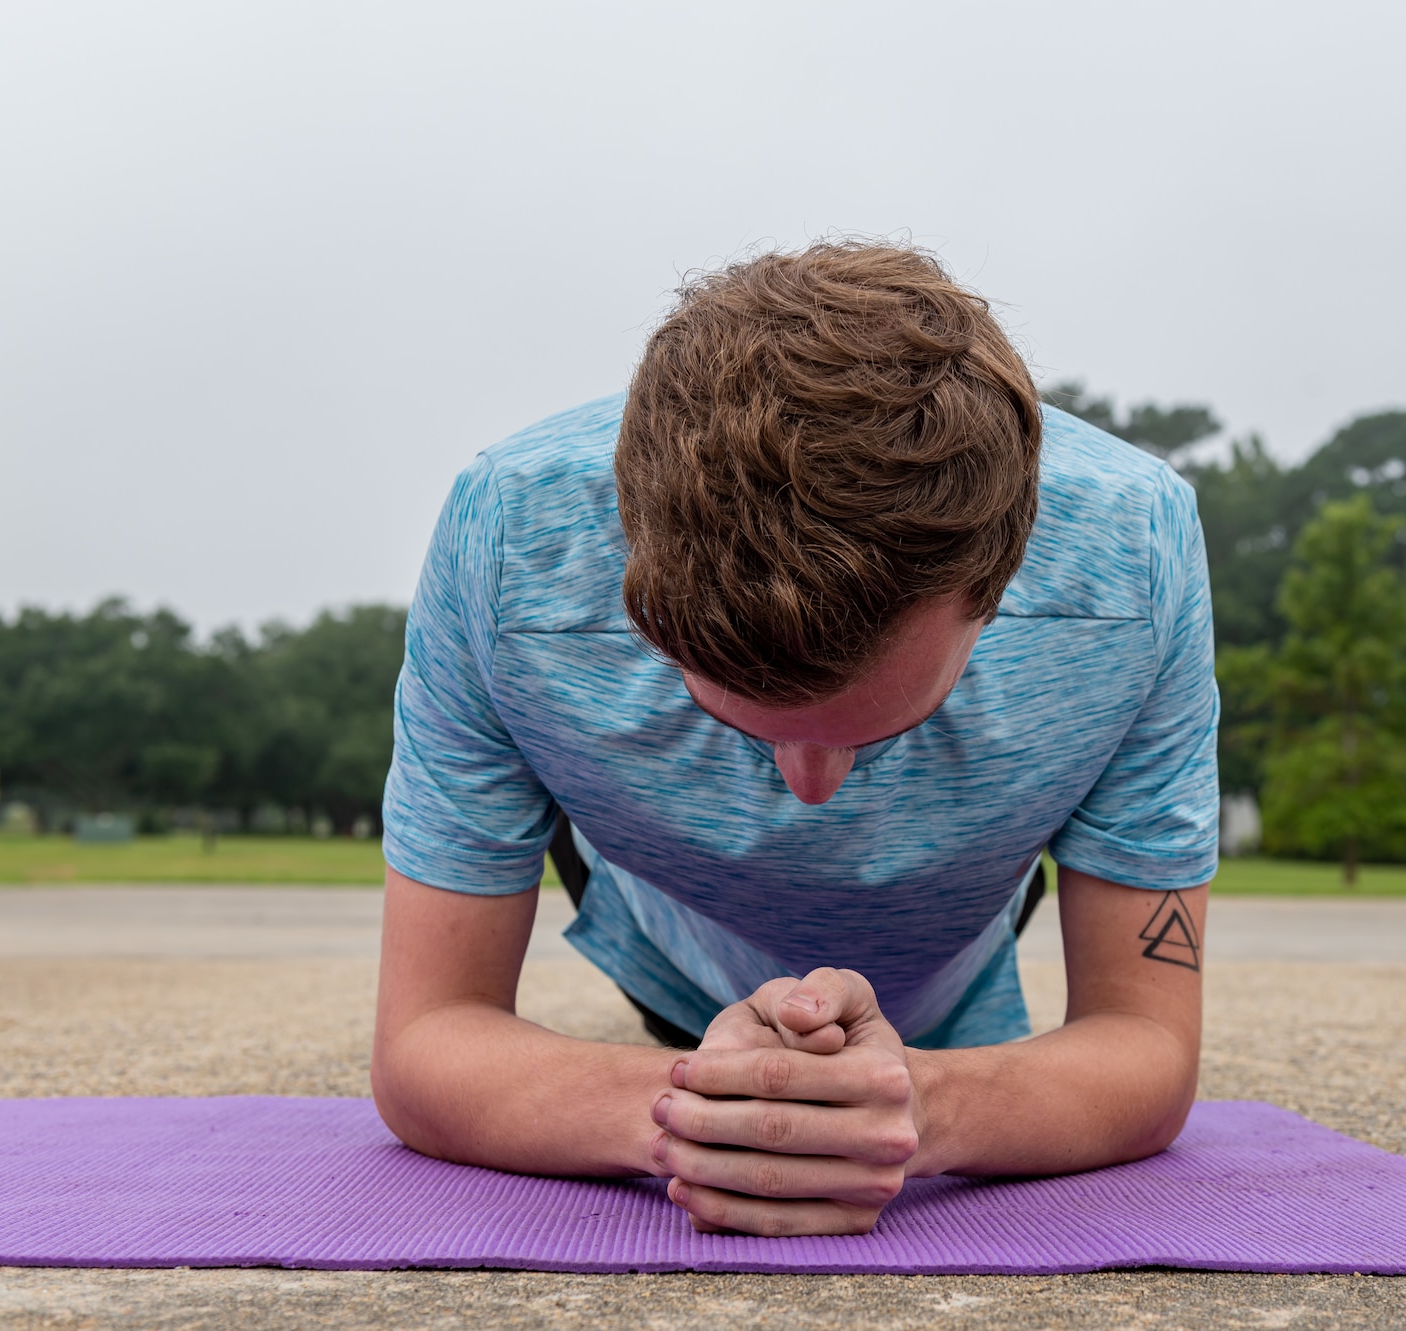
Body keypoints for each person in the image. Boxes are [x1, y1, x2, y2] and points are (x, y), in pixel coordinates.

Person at [373, 241, 1219, 1238]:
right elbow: (422, 1035)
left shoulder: (1133, 549)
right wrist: (710, 1109)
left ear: (1006, 576)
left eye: (887, 720)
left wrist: (920, 1105)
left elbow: (1146, 1045)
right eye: (733, 711)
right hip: (664, 948)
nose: (810, 790)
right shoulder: (510, 536)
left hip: (960, 956)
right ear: (627, 563)